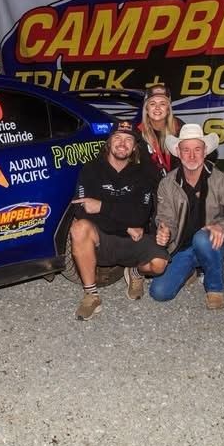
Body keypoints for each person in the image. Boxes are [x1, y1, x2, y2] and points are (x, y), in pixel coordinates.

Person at [69, 120, 168, 320]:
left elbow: (140, 216)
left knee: (159, 264)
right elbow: (82, 211)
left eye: (128, 140)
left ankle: (136, 272)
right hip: (104, 239)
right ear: (109, 142)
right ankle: (91, 295)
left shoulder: (144, 173)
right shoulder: (91, 169)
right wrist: (126, 224)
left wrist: (102, 206)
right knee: (79, 228)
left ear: (134, 147)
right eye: (117, 138)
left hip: (136, 239)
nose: (122, 143)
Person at [150, 124, 224, 310]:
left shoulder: (220, 180)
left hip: (213, 242)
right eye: (186, 150)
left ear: (205, 152)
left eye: (197, 149)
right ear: (178, 153)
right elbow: (166, 218)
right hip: (183, 246)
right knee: (159, 293)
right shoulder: (167, 184)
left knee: (201, 239)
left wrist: (223, 227)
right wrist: (165, 231)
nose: (192, 155)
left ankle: (215, 289)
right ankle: (192, 270)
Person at [137, 83, 183, 178]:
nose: (157, 107)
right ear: (146, 108)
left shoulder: (180, 127)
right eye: (152, 103)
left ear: (168, 109)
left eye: (162, 103)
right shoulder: (137, 132)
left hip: (176, 183)